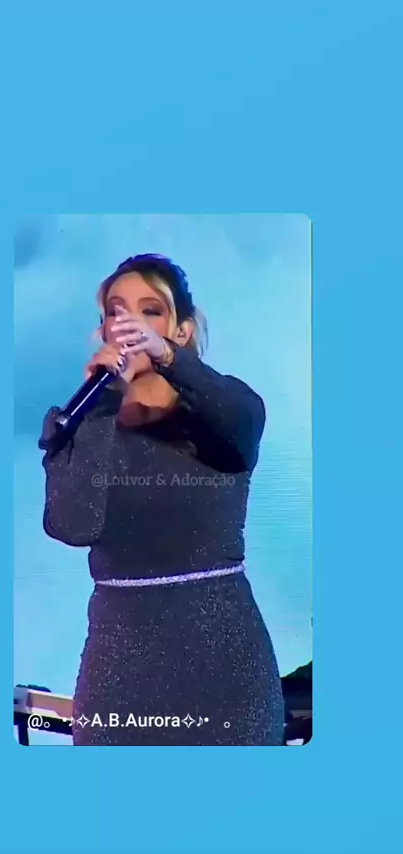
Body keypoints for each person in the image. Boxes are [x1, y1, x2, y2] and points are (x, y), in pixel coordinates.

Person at [39, 254, 284, 745]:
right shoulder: (81, 424)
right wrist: (102, 404)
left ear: (182, 330)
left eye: (150, 311)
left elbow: (245, 414)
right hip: (119, 674)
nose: (129, 325)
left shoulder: (222, 419)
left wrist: (168, 359)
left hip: (224, 668)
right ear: (103, 331)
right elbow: (72, 524)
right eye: (116, 312)